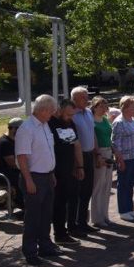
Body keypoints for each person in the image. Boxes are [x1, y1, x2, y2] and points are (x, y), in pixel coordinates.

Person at [15, 95, 62, 265]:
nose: (53, 114)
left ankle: (45, 246)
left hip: (47, 176)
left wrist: (52, 173)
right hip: (34, 177)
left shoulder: (45, 125)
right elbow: (22, 157)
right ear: (42, 110)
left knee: (45, 215)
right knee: (33, 216)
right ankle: (30, 251)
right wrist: (28, 180)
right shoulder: (27, 128)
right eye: (51, 111)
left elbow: (47, 152)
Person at [49, 99, 83, 244]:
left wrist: (79, 166)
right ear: (59, 110)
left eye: (72, 115)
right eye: (68, 114)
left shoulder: (70, 124)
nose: (70, 118)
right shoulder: (50, 123)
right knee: (57, 204)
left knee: (65, 201)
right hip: (54, 170)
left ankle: (65, 231)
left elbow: (76, 145)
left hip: (68, 170)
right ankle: (59, 234)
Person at [111, 96, 134, 222]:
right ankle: (123, 210)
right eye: (133, 106)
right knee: (124, 184)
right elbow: (115, 143)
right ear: (124, 107)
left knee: (131, 183)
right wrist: (120, 159)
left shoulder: (132, 120)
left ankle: (130, 209)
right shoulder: (119, 122)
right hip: (125, 158)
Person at [70, 87, 97, 235]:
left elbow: (92, 133)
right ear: (74, 99)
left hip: (89, 155)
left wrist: (96, 153)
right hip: (76, 158)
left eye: (87, 97)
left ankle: (83, 222)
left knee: (87, 191)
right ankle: (73, 224)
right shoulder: (72, 115)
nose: (87, 100)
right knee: (77, 192)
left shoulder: (88, 113)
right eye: (83, 98)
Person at [89, 96, 113, 227]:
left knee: (107, 185)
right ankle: (97, 218)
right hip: (98, 153)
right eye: (100, 106)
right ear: (94, 107)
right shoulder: (91, 120)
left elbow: (109, 137)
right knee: (98, 185)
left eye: (105, 105)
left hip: (108, 151)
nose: (104, 108)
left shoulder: (105, 120)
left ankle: (105, 215)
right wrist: (98, 155)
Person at [0, 117, 25, 216]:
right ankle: (23, 205)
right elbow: (12, 163)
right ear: (13, 129)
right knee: (22, 179)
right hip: (5, 172)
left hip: (14, 170)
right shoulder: (5, 143)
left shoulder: (17, 141)